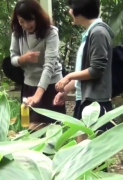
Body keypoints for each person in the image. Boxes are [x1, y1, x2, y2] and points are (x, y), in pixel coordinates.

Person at [54, 0, 115, 142]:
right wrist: (66, 90)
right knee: (82, 151)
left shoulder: (98, 32)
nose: (69, 11)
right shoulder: (90, 33)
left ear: (79, 8)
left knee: (92, 155)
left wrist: (68, 77)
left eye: (71, 7)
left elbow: (96, 70)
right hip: (84, 101)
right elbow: (84, 72)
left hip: (95, 103)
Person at [10, 0, 66, 131]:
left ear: (37, 17)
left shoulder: (51, 33)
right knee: (31, 129)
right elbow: (12, 58)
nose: (26, 25)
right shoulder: (17, 33)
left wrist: (38, 94)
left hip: (51, 86)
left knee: (52, 131)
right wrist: (22, 59)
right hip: (29, 85)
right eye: (21, 21)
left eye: (29, 20)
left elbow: (49, 66)